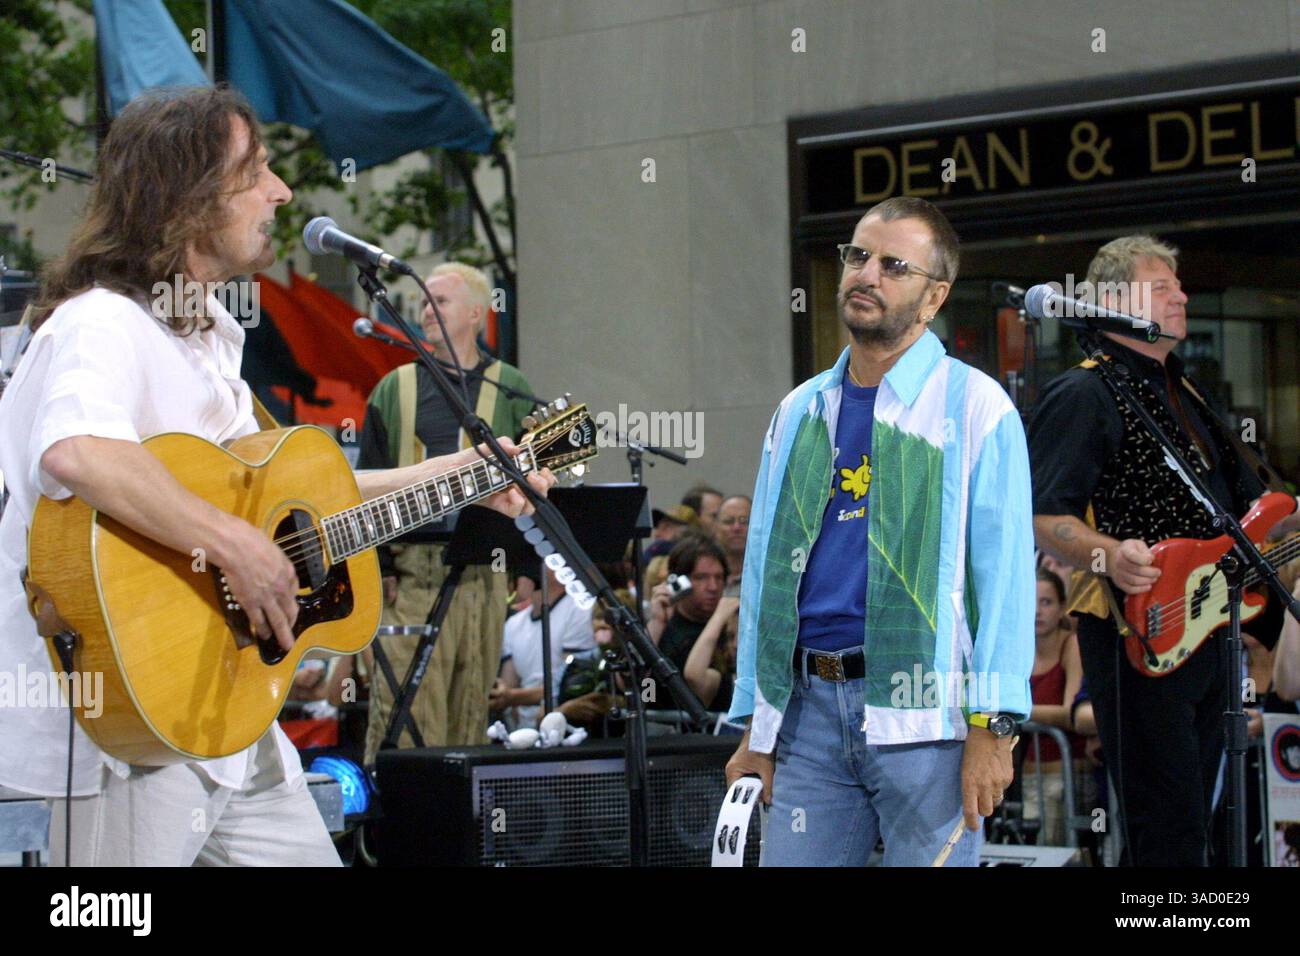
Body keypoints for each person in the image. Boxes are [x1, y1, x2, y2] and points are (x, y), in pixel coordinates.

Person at [0, 86, 552, 867]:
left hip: (230, 714)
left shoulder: (207, 342)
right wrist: (234, 545)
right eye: (254, 170)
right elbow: (78, 451)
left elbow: (305, 495)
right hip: (129, 728)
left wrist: (462, 471)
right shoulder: (103, 320)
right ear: (187, 197)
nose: (281, 191)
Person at [724, 196, 1035, 867]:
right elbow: (762, 573)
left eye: (894, 265)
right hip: (805, 713)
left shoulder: (977, 406)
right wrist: (756, 719)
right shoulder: (799, 410)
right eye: (858, 256)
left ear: (934, 297)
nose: (868, 274)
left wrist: (994, 726)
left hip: (933, 719)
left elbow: (1006, 578)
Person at [1028, 234, 1300, 866]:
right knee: (1167, 831)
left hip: (1206, 631)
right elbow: (1043, 516)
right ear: (1112, 304)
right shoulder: (1082, 393)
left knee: (1191, 829)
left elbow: (1258, 515)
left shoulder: (1187, 392)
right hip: (1136, 630)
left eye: (1178, 285)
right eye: (1161, 286)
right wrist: (1106, 555)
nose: (1181, 295)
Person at [356, 260, 538, 759]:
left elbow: (532, 483)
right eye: (424, 301)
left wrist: (525, 568)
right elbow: (361, 480)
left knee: (469, 713)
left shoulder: (509, 385)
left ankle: (457, 829)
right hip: (410, 571)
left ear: (478, 313)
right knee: (407, 713)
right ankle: (398, 827)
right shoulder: (395, 388)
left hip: (485, 571)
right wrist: (378, 566)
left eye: (441, 300)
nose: (427, 310)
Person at [1022, 569, 1084, 846]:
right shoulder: (1019, 649)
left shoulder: (1072, 645)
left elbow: (1072, 714)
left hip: (1069, 775)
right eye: (1030, 602)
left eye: (1046, 602)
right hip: (1026, 777)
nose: (1036, 612)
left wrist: (1018, 712)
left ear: (1062, 608)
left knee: (1066, 851)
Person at [490, 569, 597, 729]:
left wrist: (512, 697)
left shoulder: (579, 610)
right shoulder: (514, 623)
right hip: (522, 733)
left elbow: (572, 686)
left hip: (566, 730)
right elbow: (508, 686)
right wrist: (499, 694)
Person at [683, 594, 740, 712]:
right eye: (730, 637)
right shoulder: (727, 683)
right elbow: (694, 675)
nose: (735, 645)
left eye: (745, 637)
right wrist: (719, 617)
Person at [714, 494, 750, 586]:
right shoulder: (703, 572)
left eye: (744, 521)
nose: (736, 528)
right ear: (716, 527)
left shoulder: (767, 573)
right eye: (728, 521)